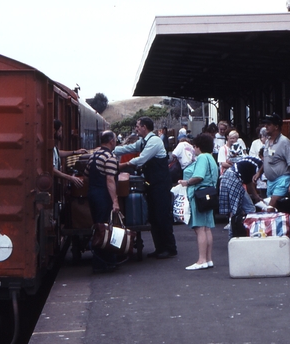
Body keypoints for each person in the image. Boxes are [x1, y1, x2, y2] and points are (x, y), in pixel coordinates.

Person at [114, 117, 177, 259]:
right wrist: (112, 149)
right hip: (152, 183)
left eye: (137, 126)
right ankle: (160, 248)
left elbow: (141, 159)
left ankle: (170, 247)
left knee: (162, 216)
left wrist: (123, 165)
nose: (136, 128)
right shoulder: (143, 141)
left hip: (160, 184)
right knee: (154, 217)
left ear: (144, 127)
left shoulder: (154, 141)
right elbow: (128, 148)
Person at [178, 133, 218, 270]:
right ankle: (208, 259)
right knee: (207, 228)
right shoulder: (212, 158)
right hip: (210, 194)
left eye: (194, 147)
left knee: (200, 228)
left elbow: (199, 176)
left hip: (199, 195)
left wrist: (186, 182)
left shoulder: (202, 157)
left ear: (198, 147)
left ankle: (201, 260)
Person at [84, 131, 121, 273]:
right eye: (115, 140)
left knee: (98, 227)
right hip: (103, 196)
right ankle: (104, 262)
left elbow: (86, 177)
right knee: (106, 229)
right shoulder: (110, 157)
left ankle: (101, 261)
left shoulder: (94, 155)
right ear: (111, 141)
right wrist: (115, 201)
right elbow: (110, 180)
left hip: (92, 194)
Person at [218, 156, 265, 238]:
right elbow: (252, 182)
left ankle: (235, 234)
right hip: (233, 178)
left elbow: (249, 183)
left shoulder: (251, 161)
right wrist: (257, 197)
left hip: (226, 177)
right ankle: (245, 233)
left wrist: (256, 197)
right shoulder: (258, 165)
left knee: (238, 210)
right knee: (245, 209)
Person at [263, 113, 290, 208]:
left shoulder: (284, 142)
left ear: (276, 127)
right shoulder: (267, 141)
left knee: (270, 208)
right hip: (270, 182)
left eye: (269, 124)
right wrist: (259, 173)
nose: (265, 126)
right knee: (276, 210)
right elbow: (266, 160)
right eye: (265, 124)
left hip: (282, 180)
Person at [52, 119, 86, 188]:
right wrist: (70, 178)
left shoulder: (54, 146)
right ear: (54, 131)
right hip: (52, 183)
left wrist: (75, 152)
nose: (61, 133)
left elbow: (58, 153)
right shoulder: (51, 147)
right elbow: (52, 169)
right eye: (60, 131)